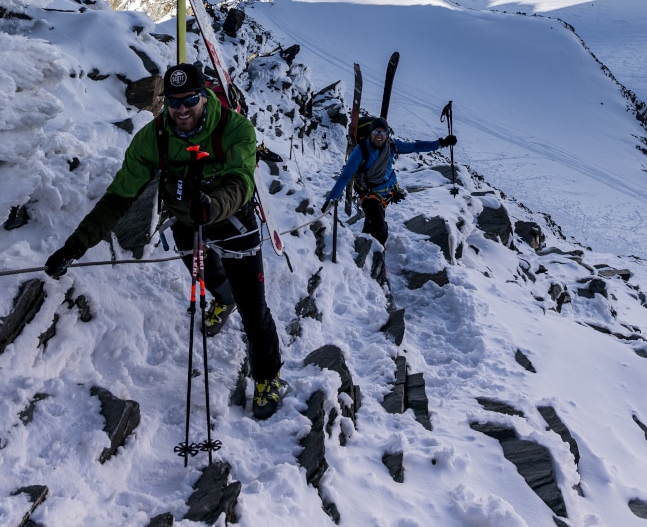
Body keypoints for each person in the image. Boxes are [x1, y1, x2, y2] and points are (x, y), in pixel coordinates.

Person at [45, 63, 287, 420]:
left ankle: (268, 377)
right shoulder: (153, 138)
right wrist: (75, 246)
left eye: (190, 99)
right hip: (186, 220)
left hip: (232, 219)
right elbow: (119, 198)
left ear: (204, 97)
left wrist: (213, 206)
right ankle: (224, 298)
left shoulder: (234, 129)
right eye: (174, 102)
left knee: (254, 310)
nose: (182, 109)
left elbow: (240, 181)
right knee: (202, 271)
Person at [322, 117, 457, 245]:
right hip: (369, 194)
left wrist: (441, 143)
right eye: (375, 132)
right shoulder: (360, 151)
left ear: (387, 133)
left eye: (383, 132)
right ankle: (377, 256)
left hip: (388, 191)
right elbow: (346, 175)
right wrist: (331, 198)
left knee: (373, 222)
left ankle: (365, 246)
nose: (379, 135)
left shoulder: (391, 145)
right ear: (370, 133)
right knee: (380, 228)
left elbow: (415, 146)